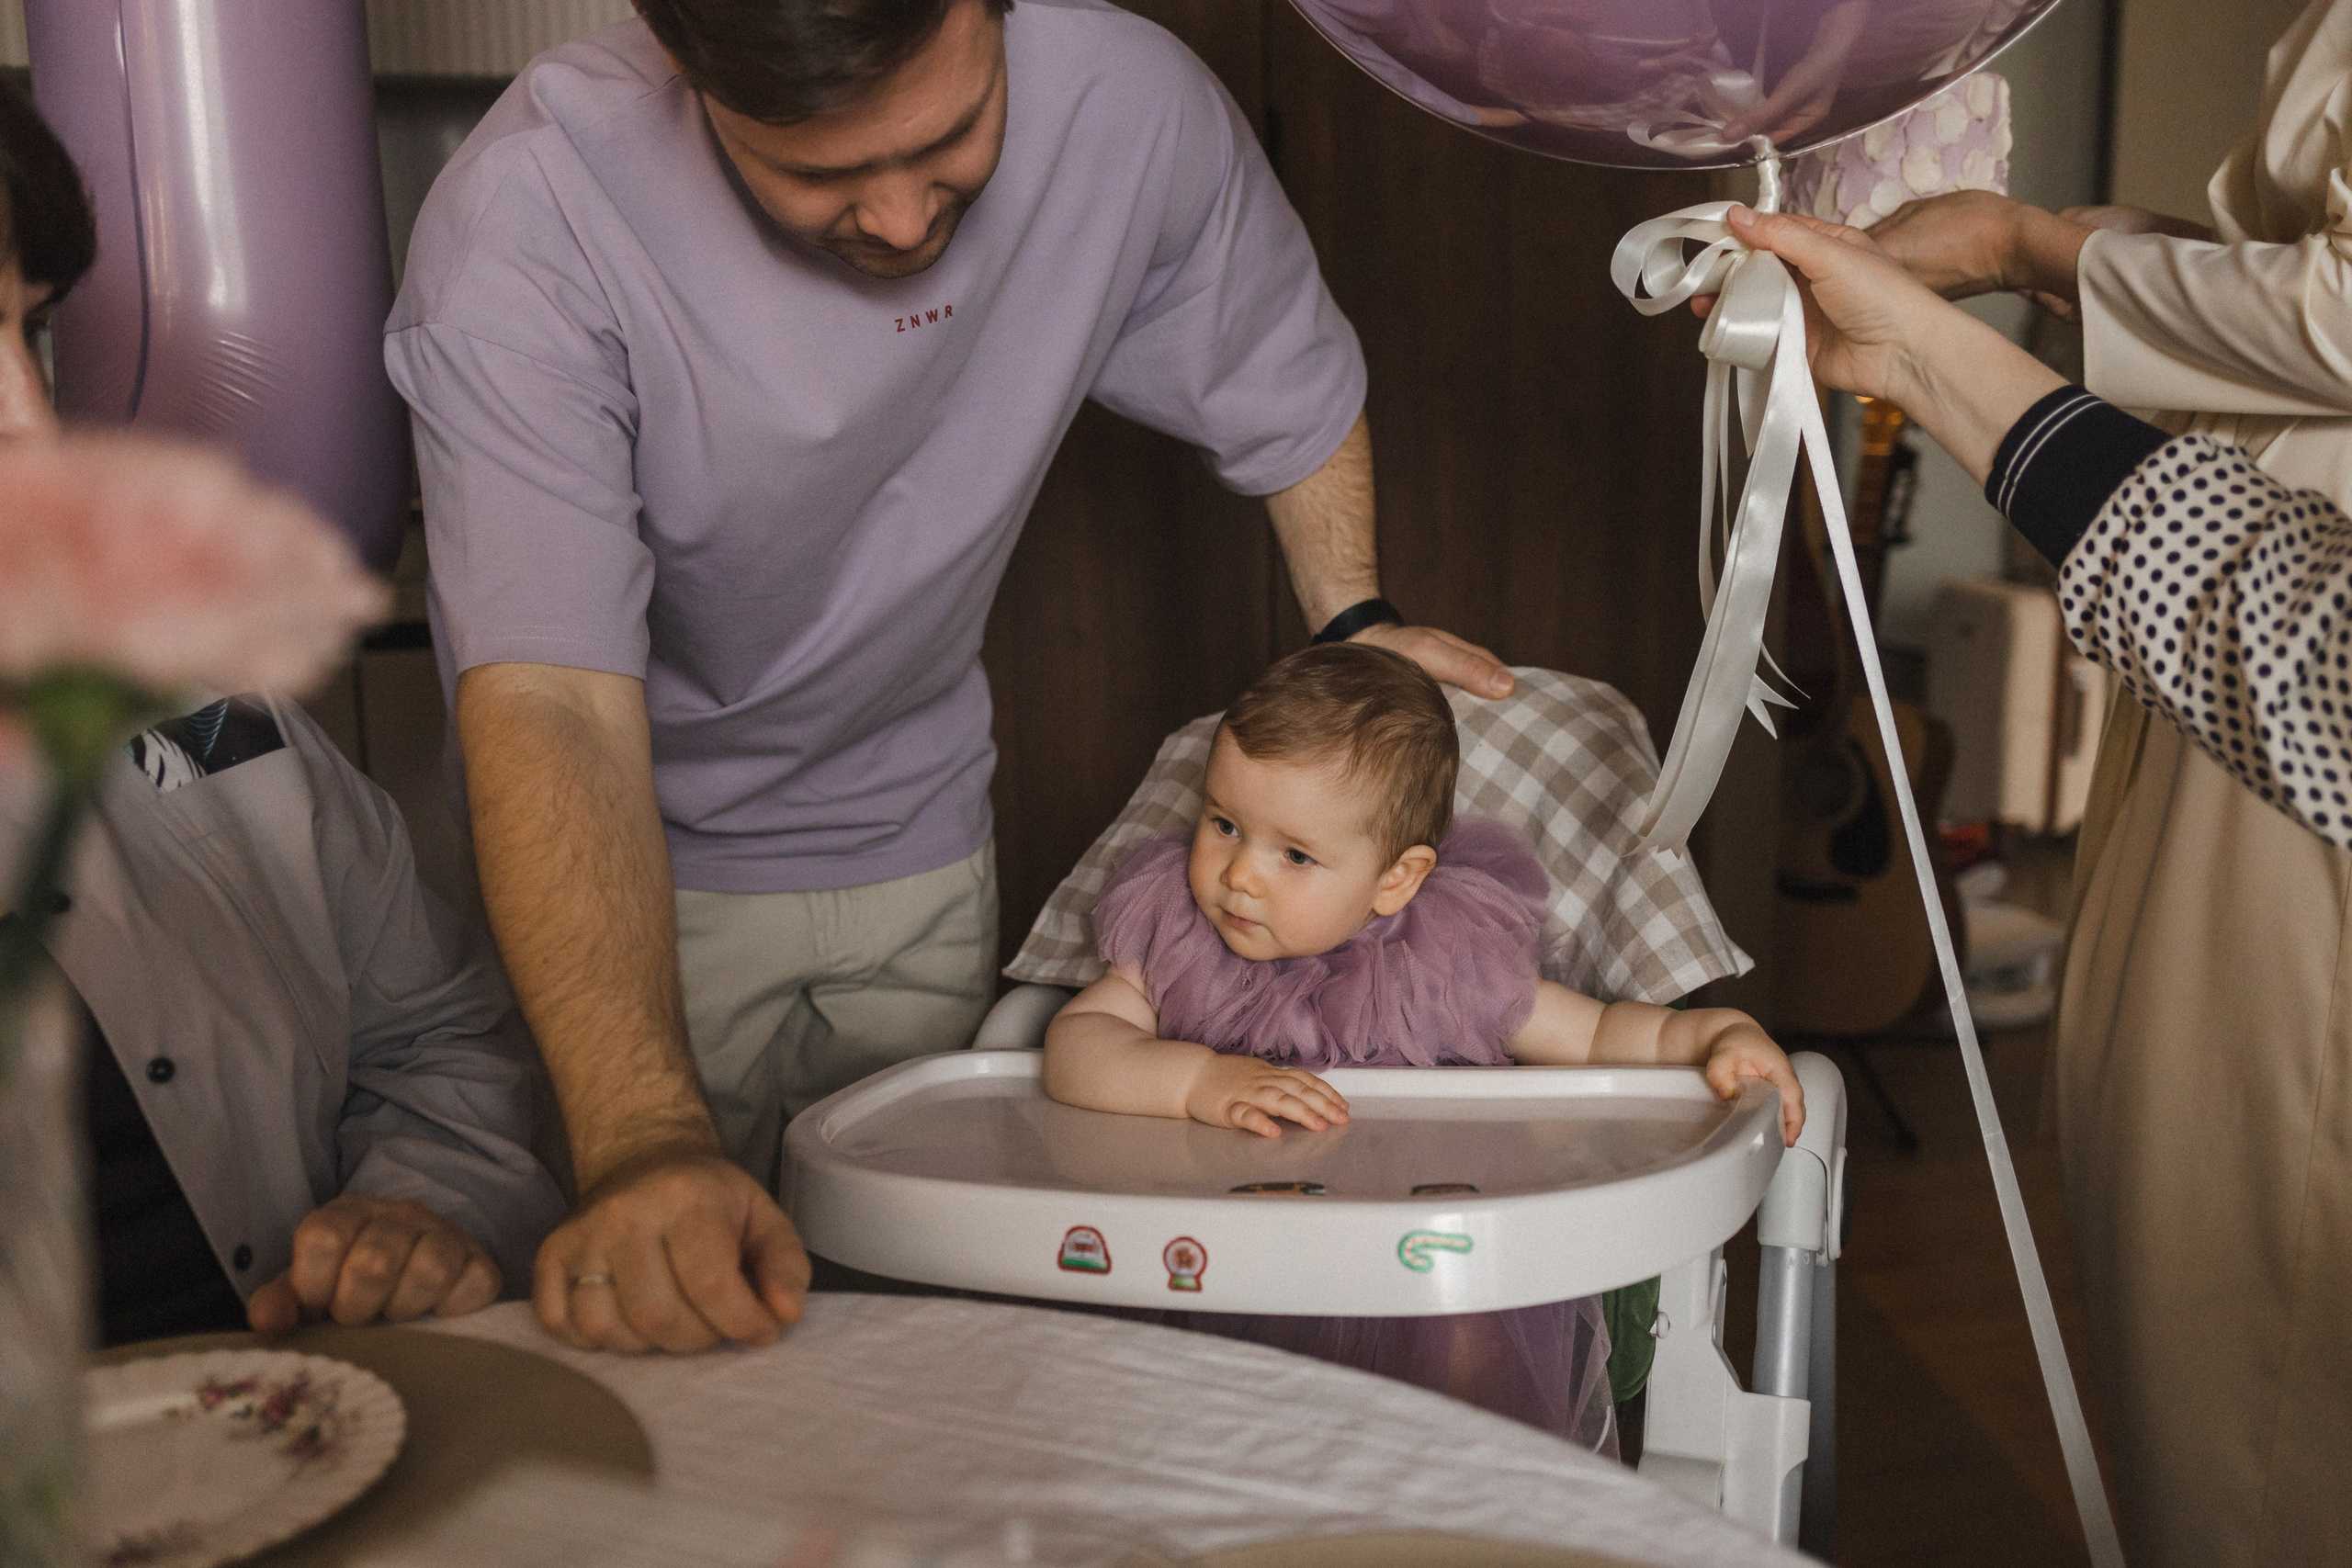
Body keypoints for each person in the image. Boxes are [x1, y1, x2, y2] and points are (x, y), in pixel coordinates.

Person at [388, 0, 1514, 1356]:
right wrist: (639, 1141)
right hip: (623, 878)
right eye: (820, 173)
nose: (908, 223)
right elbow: (549, 701)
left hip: (917, 832)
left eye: (952, 139)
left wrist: (1358, 619)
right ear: (687, 67)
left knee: (916, 1344)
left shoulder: (1128, 105)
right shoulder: (528, 222)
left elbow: (1282, 371)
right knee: (660, 1349)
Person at [1703, 53, 2352, 1545]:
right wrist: (2003, 258)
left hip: (2266, 610)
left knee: (2258, 1305)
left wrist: (1969, 319)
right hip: (2227, 564)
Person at [0, 79, 569, 1347]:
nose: (30, 425)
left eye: (27, 333)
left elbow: (436, 1039)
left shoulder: (195, 704)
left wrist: (420, 1211)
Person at [1039, 643, 1803, 1448]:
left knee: (1469, 1352)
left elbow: (1599, 1033)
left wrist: (1713, 1032)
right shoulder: (1177, 937)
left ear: (1396, 879)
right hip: (1214, 1259)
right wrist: (1197, 1081)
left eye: (1294, 854)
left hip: (1410, 1270)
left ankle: (1442, 1498)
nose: (1240, 876)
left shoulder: (1440, 958)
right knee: (1155, 1406)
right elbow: (1080, 1042)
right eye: (1223, 823)